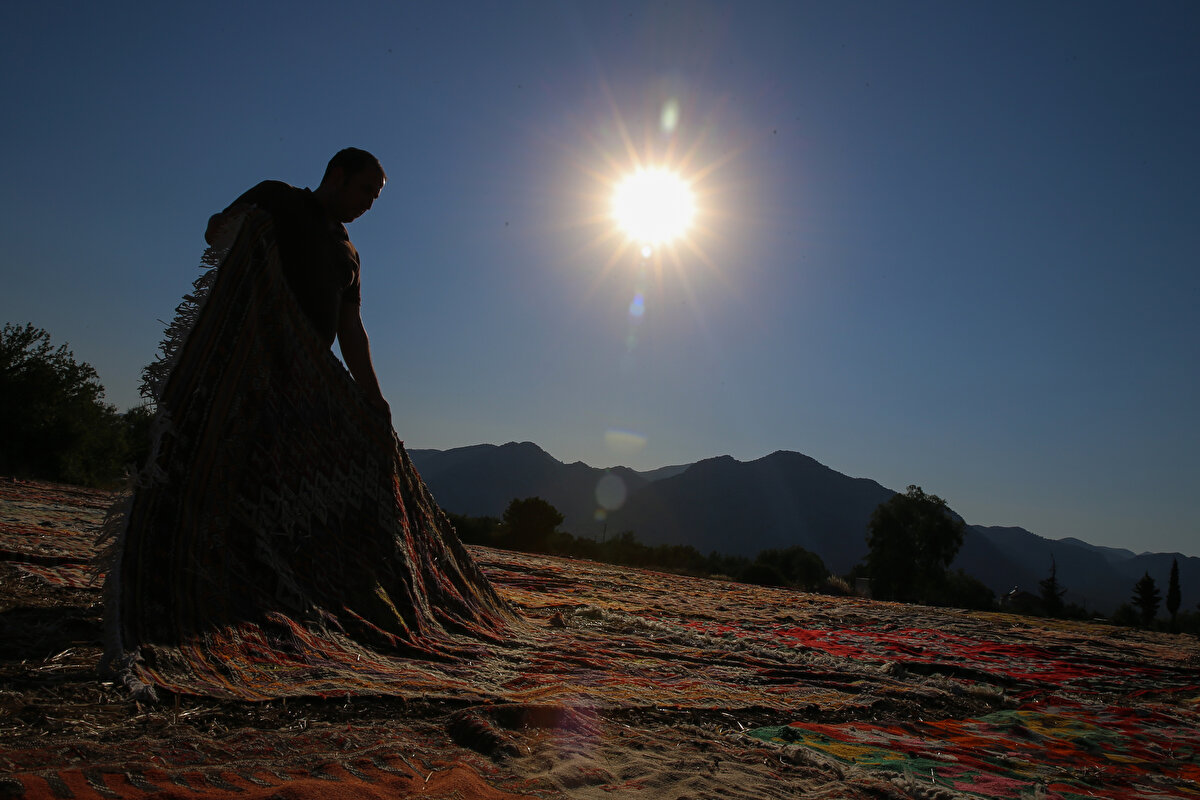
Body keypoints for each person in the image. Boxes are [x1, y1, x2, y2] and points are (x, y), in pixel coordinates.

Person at [205, 147, 390, 417]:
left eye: (374, 197)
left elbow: (350, 327)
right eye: (365, 190)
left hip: (295, 385)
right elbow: (216, 233)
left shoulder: (349, 254)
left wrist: (374, 396)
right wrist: (224, 224)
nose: (369, 205)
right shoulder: (278, 197)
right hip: (241, 359)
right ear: (338, 177)